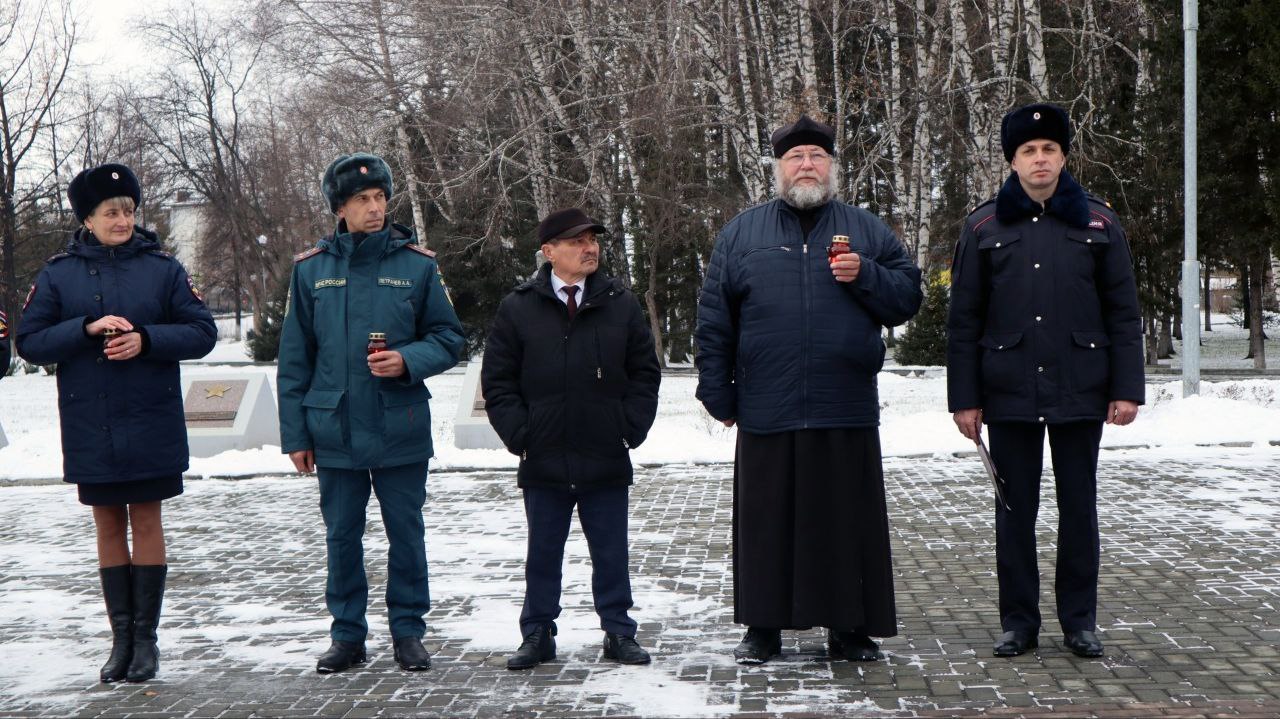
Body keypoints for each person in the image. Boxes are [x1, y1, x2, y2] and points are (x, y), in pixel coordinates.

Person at [695, 115, 923, 664]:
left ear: (831, 167)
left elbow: (908, 297)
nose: (806, 166)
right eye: (795, 157)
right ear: (779, 169)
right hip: (767, 403)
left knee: (844, 521)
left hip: (842, 402)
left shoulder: (866, 230)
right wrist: (717, 392)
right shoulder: (742, 234)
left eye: (816, 157)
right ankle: (763, 628)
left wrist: (865, 273)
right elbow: (714, 319)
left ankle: (849, 628)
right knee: (766, 523)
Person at [947, 103, 1144, 659]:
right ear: (1012, 161)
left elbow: (1123, 313)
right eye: (1029, 151)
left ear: (1063, 157)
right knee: (1015, 514)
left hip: (1081, 389)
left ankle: (1080, 621)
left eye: (1049, 150)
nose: (1040, 159)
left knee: (1079, 509)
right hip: (1008, 392)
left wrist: (1126, 388)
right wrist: (965, 399)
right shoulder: (983, 226)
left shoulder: (1099, 223)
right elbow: (963, 320)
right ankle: (1019, 623)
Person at [16, 163, 217, 683]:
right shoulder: (58, 274)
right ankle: (120, 641)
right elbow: (29, 341)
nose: (123, 219)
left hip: (150, 417)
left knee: (147, 520)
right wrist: (84, 329)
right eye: (111, 212)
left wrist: (146, 340)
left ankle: (146, 643)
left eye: (128, 210)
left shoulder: (163, 269)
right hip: (91, 420)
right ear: (87, 218)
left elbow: (201, 332)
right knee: (107, 523)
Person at [277, 152, 464, 674]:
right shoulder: (312, 270)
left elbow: (451, 338)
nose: (375, 208)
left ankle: (408, 631)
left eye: (380, 197)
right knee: (341, 537)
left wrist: (408, 359)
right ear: (340, 208)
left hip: (398, 422)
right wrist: (295, 434)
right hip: (332, 427)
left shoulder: (417, 265)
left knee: (406, 531)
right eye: (362, 199)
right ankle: (347, 636)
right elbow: (295, 360)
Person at [481, 208, 661, 670]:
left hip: (604, 450)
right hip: (543, 454)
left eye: (592, 239)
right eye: (577, 240)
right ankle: (537, 633)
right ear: (549, 252)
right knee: (542, 551)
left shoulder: (620, 302)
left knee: (611, 550)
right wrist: (522, 435)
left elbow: (645, 372)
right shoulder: (518, 306)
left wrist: (629, 426)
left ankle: (619, 632)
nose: (590, 248)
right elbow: (498, 381)